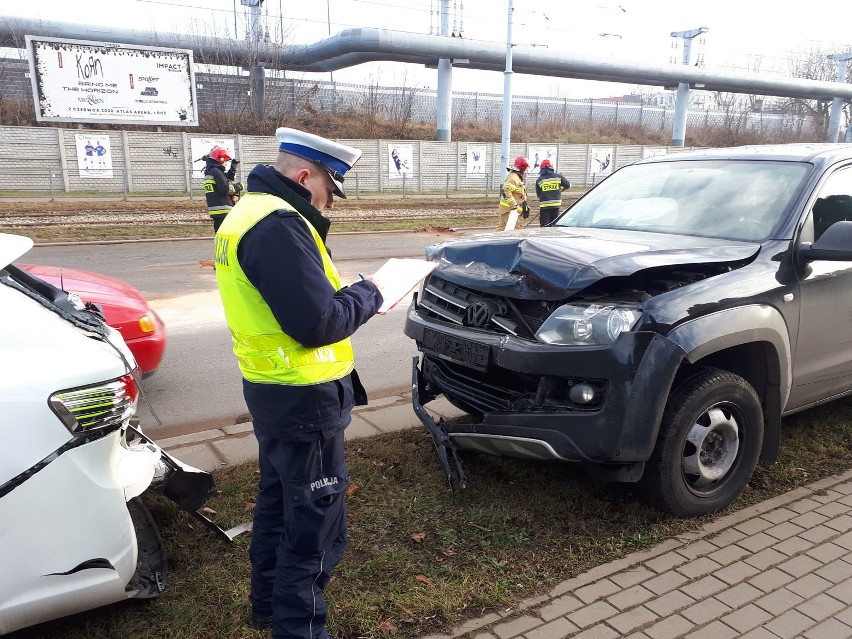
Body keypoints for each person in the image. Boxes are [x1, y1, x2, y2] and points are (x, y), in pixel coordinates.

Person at [214, 127, 383, 639]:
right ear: (305, 176)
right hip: (304, 399)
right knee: (313, 525)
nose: (331, 203)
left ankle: (267, 606)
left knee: (276, 504)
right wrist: (373, 292)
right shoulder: (280, 226)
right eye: (331, 190)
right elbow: (316, 324)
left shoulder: (246, 212)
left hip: (273, 391)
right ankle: (299, 628)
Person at [204, 145, 240, 231]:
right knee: (226, 235)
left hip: (217, 210)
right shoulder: (216, 172)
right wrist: (238, 187)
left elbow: (225, 181)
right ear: (221, 159)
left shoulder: (211, 171)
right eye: (226, 161)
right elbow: (225, 188)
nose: (226, 163)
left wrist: (232, 169)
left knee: (220, 236)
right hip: (223, 209)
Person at [496, 156, 530, 231]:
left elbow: (517, 193)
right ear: (523, 168)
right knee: (516, 230)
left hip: (508, 209)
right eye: (526, 168)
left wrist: (524, 204)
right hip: (509, 210)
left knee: (501, 229)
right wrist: (514, 206)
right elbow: (505, 190)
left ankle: (490, 241)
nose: (527, 171)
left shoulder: (516, 176)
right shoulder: (513, 178)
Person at [534, 158, 571, 226]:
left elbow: (539, 195)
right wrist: (561, 190)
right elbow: (568, 185)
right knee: (554, 224)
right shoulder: (558, 177)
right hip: (556, 205)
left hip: (544, 206)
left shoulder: (539, 180)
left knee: (544, 225)